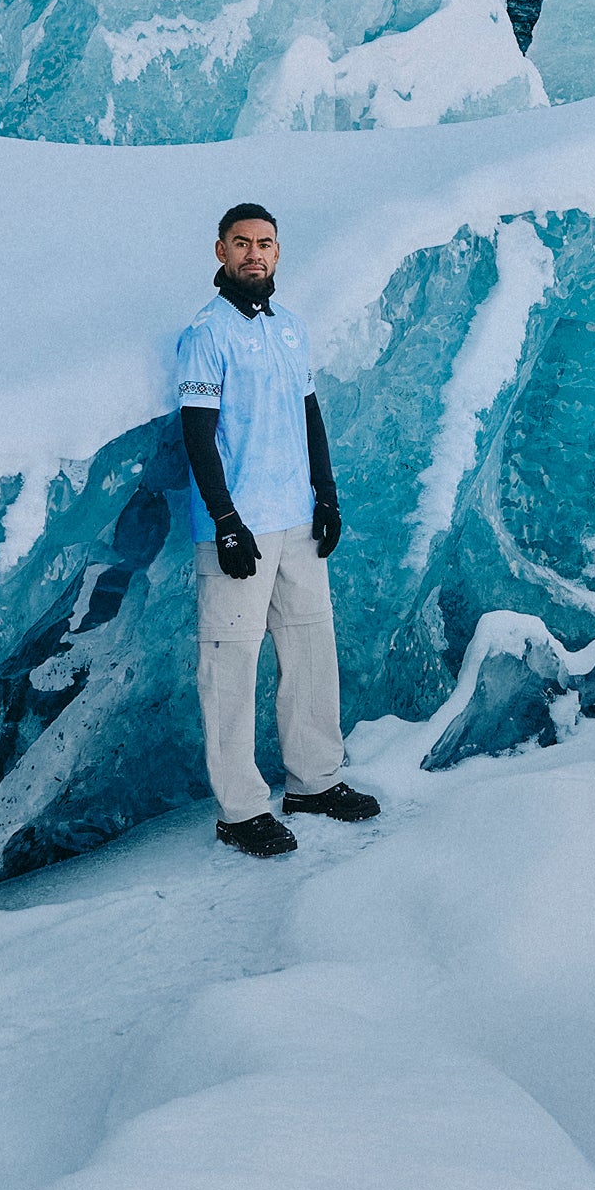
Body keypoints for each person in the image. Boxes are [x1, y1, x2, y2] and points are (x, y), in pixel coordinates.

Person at [176, 202, 379, 858]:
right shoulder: (206, 334)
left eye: (264, 243)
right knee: (230, 665)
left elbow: (310, 414)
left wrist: (328, 495)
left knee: (312, 652)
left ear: (278, 252)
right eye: (241, 244)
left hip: (296, 520)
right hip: (239, 529)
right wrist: (226, 521)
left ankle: (314, 782)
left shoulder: (290, 329)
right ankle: (239, 812)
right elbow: (197, 435)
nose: (253, 254)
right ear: (220, 252)